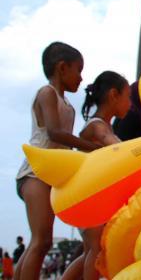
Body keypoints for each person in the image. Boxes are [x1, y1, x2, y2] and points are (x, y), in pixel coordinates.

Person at [14, 42, 99, 280]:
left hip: (52, 176)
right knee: (42, 240)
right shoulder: (46, 93)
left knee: (39, 242)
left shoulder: (68, 107)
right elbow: (54, 133)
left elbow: (65, 146)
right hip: (35, 173)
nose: (81, 78)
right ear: (62, 68)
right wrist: (93, 148)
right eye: (78, 70)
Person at [61, 71, 130, 280]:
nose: (130, 104)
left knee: (89, 252)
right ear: (113, 95)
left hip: (91, 196)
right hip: (88, 197)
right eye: (127, 97)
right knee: (96, 250)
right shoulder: (97, 126)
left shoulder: (101, 124)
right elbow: (113, 144)